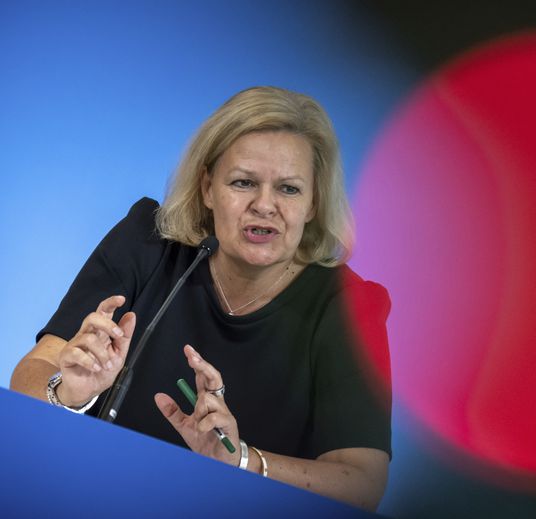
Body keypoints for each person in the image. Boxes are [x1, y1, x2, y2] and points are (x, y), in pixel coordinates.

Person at [10, 86, 391, 511]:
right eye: (243, 182)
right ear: (208, 188)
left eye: (288, 189)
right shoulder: (145, 244)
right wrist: (67, 394)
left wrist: (242, 460)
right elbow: (36, 369)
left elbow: (361, 482)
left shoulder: (348, 306)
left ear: (314, 202)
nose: (264, 205)